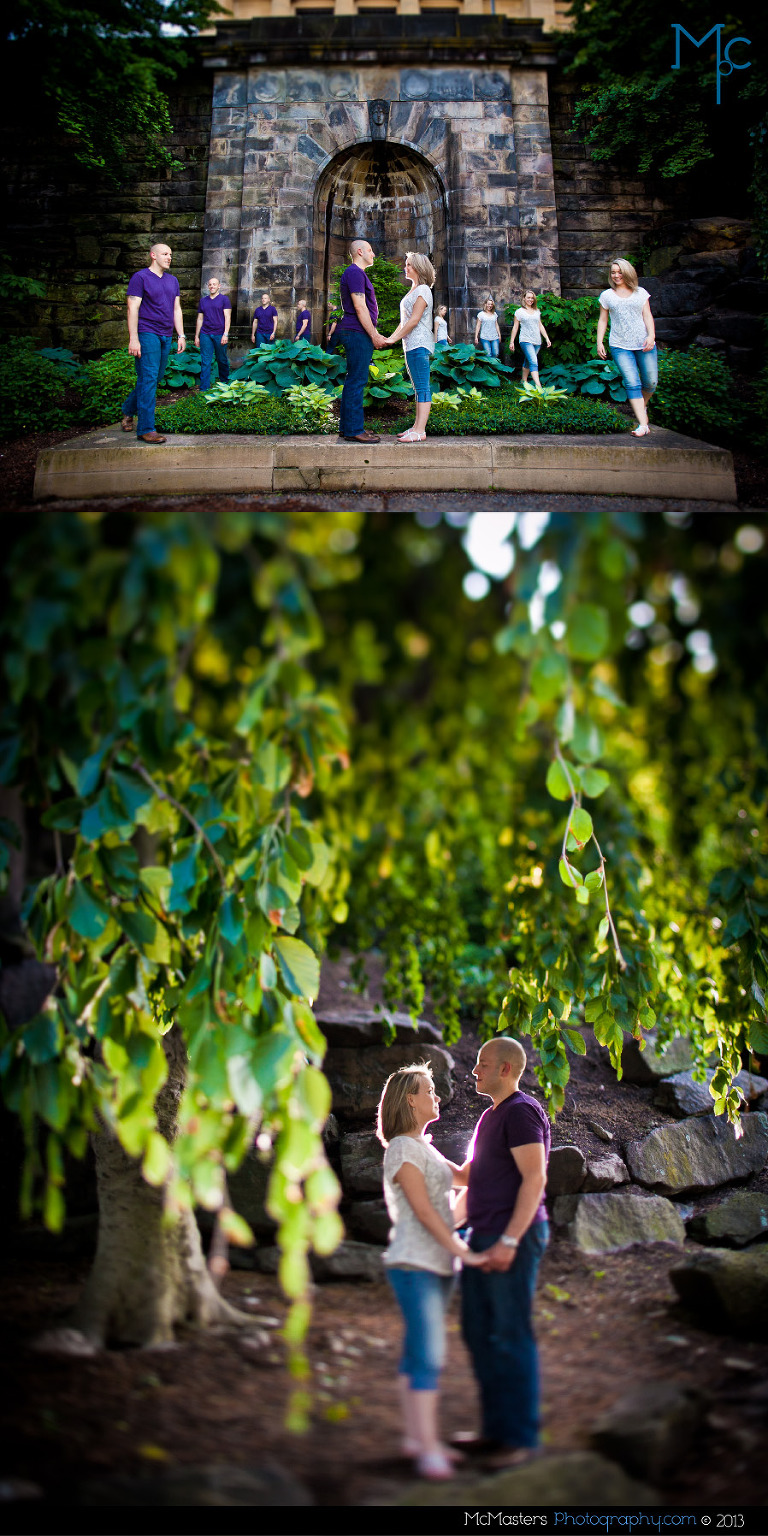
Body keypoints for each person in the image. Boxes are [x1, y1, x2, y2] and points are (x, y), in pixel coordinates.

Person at [377, 1063, 485, 1481]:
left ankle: (414, 1438)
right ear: (410, 1099)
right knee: (429, 1353)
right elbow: (423, 1211)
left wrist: (491, 1133)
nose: (437, 1096)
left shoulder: (425, 1147)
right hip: (414, 1262)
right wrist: (463, 1249)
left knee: (419, 1352)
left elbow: (463, 1181)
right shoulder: (402, 1148)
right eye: (430, 1090)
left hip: (439, 1264)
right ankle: (427, 1448)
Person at [456, 1037, 550, 1468]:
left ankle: (518, 1439)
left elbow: (535, 1179)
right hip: (481, 1236)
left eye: (483, 1063)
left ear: (506, 1069)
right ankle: (495, 1431)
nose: (475, 1069)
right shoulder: (489, 1118)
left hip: (514, 1237)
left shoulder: (521, 1112)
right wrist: (408, 1144)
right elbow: (465, 1176)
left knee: (511, 1335)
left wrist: (511, 1240)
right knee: (478, 1332)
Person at [120, 242, 186, 444]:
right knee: (148, 378)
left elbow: (176, 309)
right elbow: (133, 308)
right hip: (147, 333)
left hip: (166, 335)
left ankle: (128, 410)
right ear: (153, 256)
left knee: (154, 378)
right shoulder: (140, 278)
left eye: (171, 254)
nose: (169, 257)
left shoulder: (173, 281)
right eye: (165, 253)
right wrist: (134, 339)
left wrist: (181, 335)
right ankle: (146, 429)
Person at [596, 258, 657, 437]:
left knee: (651, 382)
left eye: (619, 272)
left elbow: (647, 316)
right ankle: (643, 424)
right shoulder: (607, 295)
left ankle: (641, 406)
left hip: (644, 344)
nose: (616, 275)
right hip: (620, 345)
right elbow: (603, 320)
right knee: (632, 382)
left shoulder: (641, 293)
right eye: (613, 272)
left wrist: (651, 336)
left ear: (627, 272)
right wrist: (600, 342)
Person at [336, 237, 386, 445]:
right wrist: (374, 334)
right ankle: (355, 430)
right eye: (370, 250)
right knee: (357, 380)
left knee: (353, 380)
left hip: (355, 332)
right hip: (357, 332)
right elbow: (360, 307)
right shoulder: (355, 272)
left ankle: (348, 429)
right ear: (359, 252)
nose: (373, 254)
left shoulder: (356, 273)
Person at [383, 252, 435, 444]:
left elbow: (413, 321)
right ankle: (415, 427)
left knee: (422, 387)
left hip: (419, 344)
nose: (406, 268)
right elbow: (404, 321)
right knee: (417, 387)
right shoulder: (413, 290)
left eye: (409, 265)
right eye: (406, 264)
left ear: (419, 268)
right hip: (411, 345)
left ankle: (420, 431)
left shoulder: (423, 290)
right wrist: (391, 338)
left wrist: (392, 340)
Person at [194, 277, 231, 392]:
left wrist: (225, 334)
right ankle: (204, 388)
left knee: (222, 359)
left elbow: (227, 317)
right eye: (210, 284)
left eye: (214, 284)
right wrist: (197, 335)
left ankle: (224, 383)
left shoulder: (224, 299)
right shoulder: (203, 301)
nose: (212, 286)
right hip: (205, 334)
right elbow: (200, 319)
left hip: (220, 334)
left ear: (219, 286)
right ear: (208, 286)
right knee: (205, 360)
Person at [509, 291, 551, 388]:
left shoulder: (537, 311)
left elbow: (540, 325)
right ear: (524, 298)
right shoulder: (519, 312)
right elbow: (515, 327)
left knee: (528, 361)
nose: (530, 300)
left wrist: (547, 338)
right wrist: (512, 341)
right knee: (533, 361)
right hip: (525, 340)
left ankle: (523, 381)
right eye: (528, 298)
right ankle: (539, 387)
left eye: (532, 298)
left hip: (537, 341)